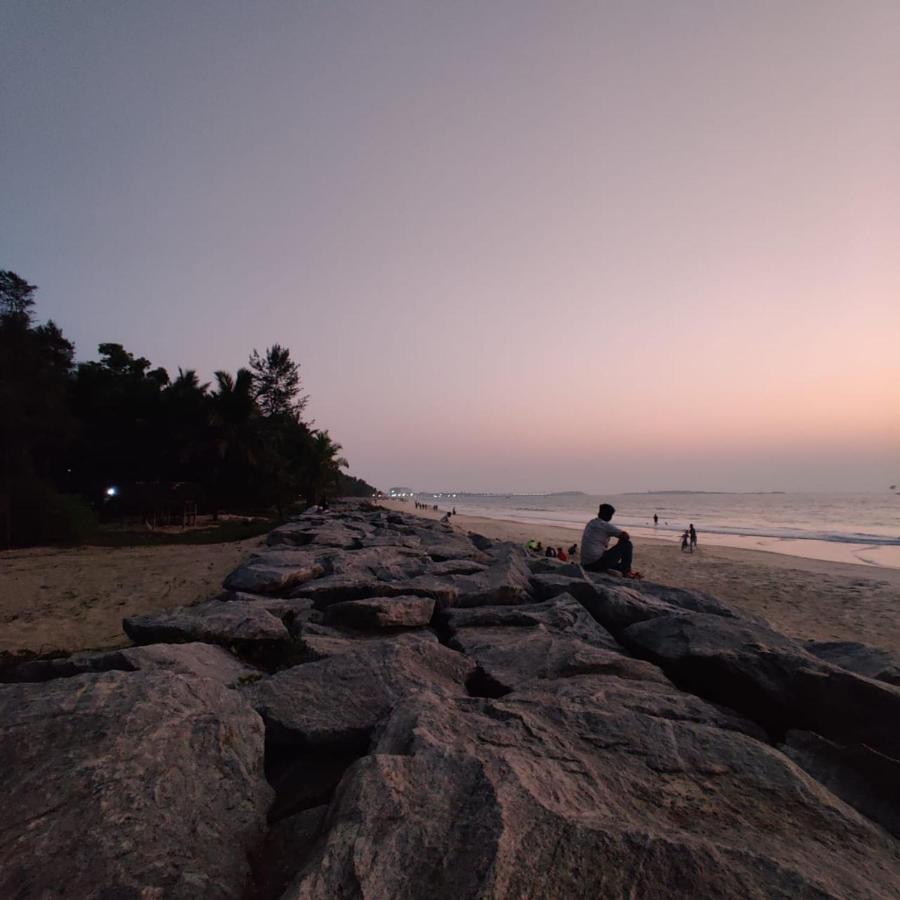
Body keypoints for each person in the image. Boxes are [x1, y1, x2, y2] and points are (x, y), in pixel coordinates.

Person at [580, 503, 638, 577]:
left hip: (585, 564)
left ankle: (623, 569)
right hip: (596, 563)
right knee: (627, 544)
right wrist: (620, 541)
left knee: (616, 564)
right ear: (609, 516)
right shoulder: (604, 525)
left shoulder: (591, 523)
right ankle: (626, 571)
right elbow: (626, 536)